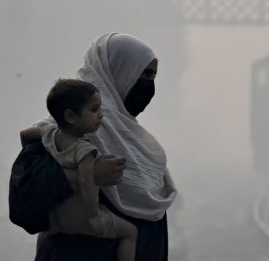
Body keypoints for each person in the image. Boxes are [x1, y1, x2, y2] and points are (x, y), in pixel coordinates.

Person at [24, 33, 177, 261]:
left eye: (153, 75)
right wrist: (86, 175)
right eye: (143, 74)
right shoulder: (63, 129)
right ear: (118, 71)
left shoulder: (133, 138)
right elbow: (26, 194)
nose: (149, 85)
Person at [21, 79, 138, 261]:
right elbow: (86, 181)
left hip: (56, 217)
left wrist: (31, 157)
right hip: (81, 219)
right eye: (93, 110)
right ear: (70, 117)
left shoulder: (49, 133)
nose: (101, 115)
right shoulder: (85, 150)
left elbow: (25, 134)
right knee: (130, 233)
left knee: (45, 237)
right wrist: (94, 216)